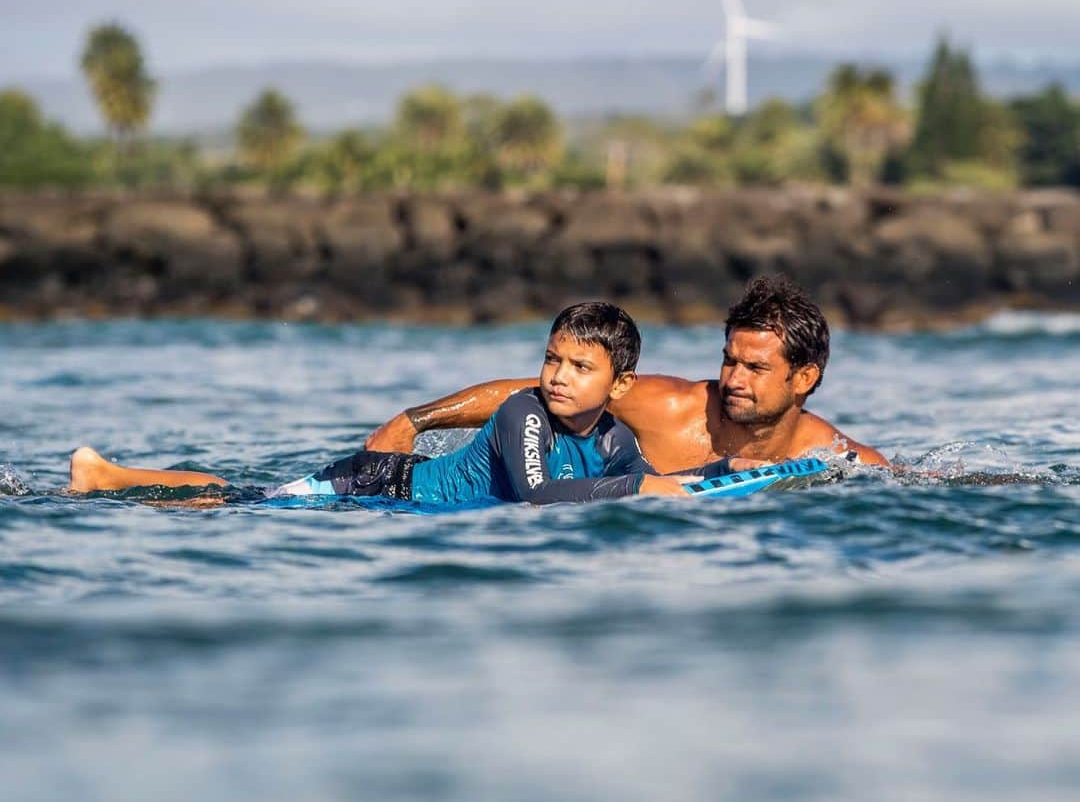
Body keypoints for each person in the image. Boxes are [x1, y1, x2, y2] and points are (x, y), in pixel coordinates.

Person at [67, 302, 730, 504]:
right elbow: (537, 494)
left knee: (245, 496)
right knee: (242, 502)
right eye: (552, 358)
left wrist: (714, 476)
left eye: (579, 367)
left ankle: (114, 475)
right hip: (378, 485)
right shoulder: (521, 413)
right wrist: (641, 493)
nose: (557, 376)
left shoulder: (613, 437)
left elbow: (640, 479)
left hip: (399, 503)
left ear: (618, 385)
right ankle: (108, 476)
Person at [366, 276, 890, 471]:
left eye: (755, 368)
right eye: (730, 360)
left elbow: (907, 489)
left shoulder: (837, 458)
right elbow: (539, 391)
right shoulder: (669, 407)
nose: (733, 378)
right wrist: (413, 422)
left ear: (803, 378)